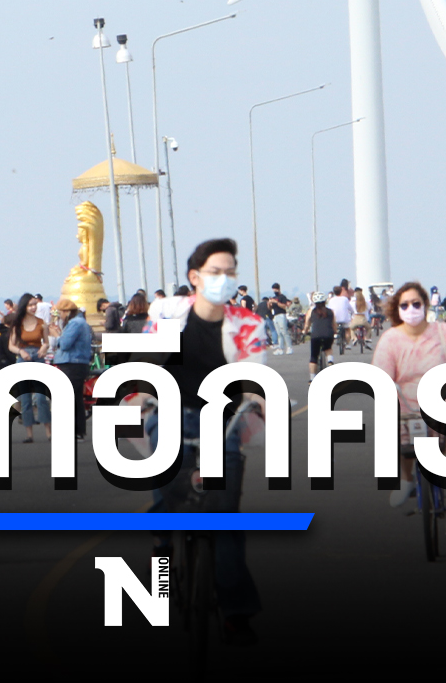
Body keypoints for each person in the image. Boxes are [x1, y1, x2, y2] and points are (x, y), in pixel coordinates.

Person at [137, 239, 267, 645]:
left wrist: (258, 401)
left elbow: (254, 377)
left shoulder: (247, 324)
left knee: (225, 517)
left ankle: (236, 612)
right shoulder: (168, 316)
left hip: (222, 421)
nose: (223, 279)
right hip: (170, 412)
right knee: (164, 500)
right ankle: (161, 575)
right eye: (215, 272)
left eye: (230, 272)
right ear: (195, 277)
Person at [371, 282, 446, 533]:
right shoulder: (390, 339)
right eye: (405, 305)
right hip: (406, 405)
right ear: (398, 309)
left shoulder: (443, 332)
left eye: (416, 303)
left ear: (425, 305)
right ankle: (406, 478)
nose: (411, 309)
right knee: (395, 435)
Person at [6, 296, 51, 443]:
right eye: (30, 305)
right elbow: (11, 345)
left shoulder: (41, 323)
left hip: (38, 357)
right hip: (23, 358)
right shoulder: (17, 324)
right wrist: (21, 351)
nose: (33, 307)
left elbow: (46, 342)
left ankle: (48, 432)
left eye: (35, 305)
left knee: (41, 397)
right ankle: (29, 433)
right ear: (24, 306)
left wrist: (44, 347)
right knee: (25, 398)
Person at [51, 298, 94, 440]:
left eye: (61, 313)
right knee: (76, 398)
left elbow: (65, 344)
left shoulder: (75, 323)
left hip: (71, 363)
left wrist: (57, 336)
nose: (60, 316)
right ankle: (78, 431)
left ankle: (73, 430)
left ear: (67, 311)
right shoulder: (82, 322)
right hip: (79, 363)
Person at [307, 299, 335, 378]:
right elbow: (334, 324)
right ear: (325, 302)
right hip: (328, 334)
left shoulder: (311, 311)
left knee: (314, 356)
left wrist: (305, 331)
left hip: (315, 335)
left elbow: (307, 324)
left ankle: (312, 378)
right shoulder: (330, 311)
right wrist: (335, 331)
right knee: (328, 348)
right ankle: (330, 361)